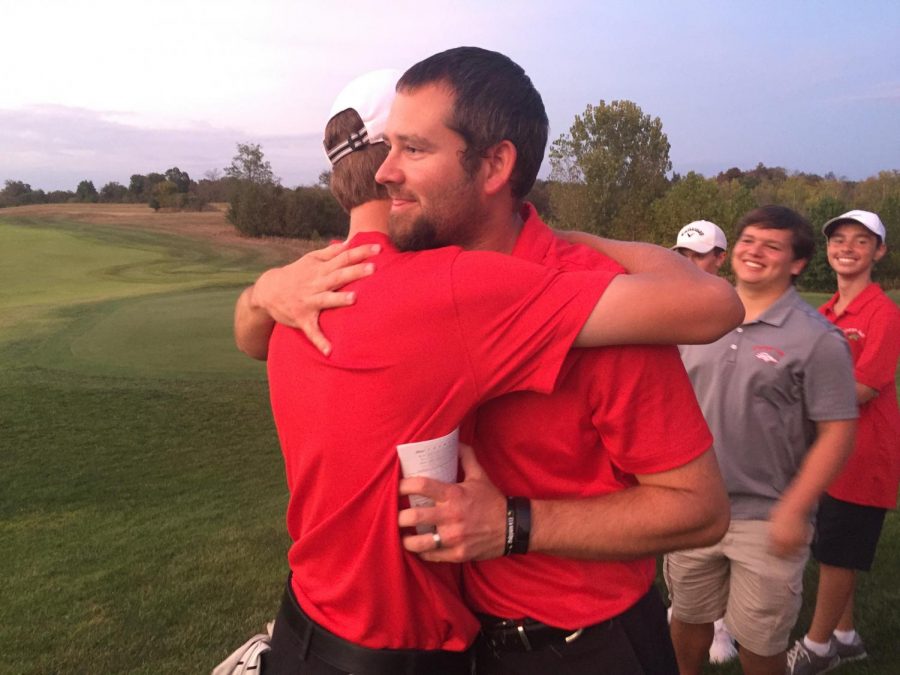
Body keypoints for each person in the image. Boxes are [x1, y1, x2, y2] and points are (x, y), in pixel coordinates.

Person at [233, 60, 739, 675]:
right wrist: (265, 291)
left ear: (495, 165)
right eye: (389, 145)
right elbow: (257, 341)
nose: (385, 172)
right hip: (466, 647)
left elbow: (702, 508)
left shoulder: (604, 309)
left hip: (584, 649)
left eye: (413, 149)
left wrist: (512, 525)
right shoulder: (390, 288)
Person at [665, 205, 858, 675]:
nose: (755, 251)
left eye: (772, 245)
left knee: (760, 641)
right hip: (694, 504)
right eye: (749, 239)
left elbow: (838, 430)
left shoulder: (818, 340)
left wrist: (795, 507)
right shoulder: (695, 316)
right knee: (687, 619)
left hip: (766, 519)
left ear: (796, 263)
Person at [786, 210, 900, 675]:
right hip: (831, 454)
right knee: (836, 547)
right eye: (838, 239)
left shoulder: (884, 313)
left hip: (864, 453)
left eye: (860, 240)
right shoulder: (828, 312)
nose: (847, 247)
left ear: (880, 251)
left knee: (837, 554)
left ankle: (816, 649)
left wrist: (790, 390)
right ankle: (846, 637)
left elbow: (864, 388)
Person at [669, 219, 739, 666]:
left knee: (726, 525)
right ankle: (684, 606)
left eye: (700, 256)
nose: (691, 264)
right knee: (681, 525)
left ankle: (722, 624)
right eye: (684, 256)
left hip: (727, 435)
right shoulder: (668, 305)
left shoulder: (733, 311)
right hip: (680, 435)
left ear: (720, 258)